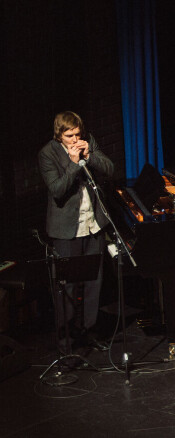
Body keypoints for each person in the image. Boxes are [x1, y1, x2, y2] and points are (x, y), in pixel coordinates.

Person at [38, 111, 115, 352]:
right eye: (69, 135)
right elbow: (57, 190)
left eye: (77, 134)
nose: (75, 139)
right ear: (59, 135)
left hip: (93, 226)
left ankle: (89, 332)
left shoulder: (88, 142)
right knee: (67, 287)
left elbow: (110, 169)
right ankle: (66, 341)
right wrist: (73, 164)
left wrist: (89, 156)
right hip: (66, 231)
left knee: (93, 283)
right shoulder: (47, 154)